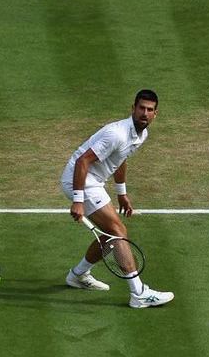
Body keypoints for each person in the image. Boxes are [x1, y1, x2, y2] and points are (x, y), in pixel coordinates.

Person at [61, 89, 174, 309]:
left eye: (149, 110)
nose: (144, 113)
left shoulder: (141, 134)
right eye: (141, 108)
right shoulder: (117, 133)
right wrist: (77, 199)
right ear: (133, 109)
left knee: (110, 235)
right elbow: (83, 161)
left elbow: (120, 159)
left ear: (155, 114)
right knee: (119, 231)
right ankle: (138, 293)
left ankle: (77, 275)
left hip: (95, 181)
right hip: (81, 179)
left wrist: (122, 193)